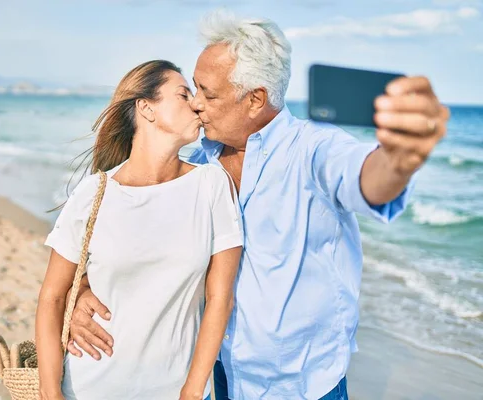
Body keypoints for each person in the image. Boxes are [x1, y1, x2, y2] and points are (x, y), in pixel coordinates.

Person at [66, 11, 450, 400]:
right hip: (218, 373)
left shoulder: (313, 150)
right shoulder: (197, 163)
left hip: (302, 386)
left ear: (255, 100)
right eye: (194, 90)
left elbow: (366, 177)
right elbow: (131, 236)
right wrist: (82, 288)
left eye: (208, 94)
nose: (196, 104)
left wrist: (399, 159)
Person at [35, 59, 243, 400]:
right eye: (183, 94)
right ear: (146, 108)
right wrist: (49, 390)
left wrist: (192, 392)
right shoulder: (94, 193)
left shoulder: (211, 184)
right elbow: (52, 297)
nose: (195, 103)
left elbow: (221, 297)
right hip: (90, 386)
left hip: (177, 391)